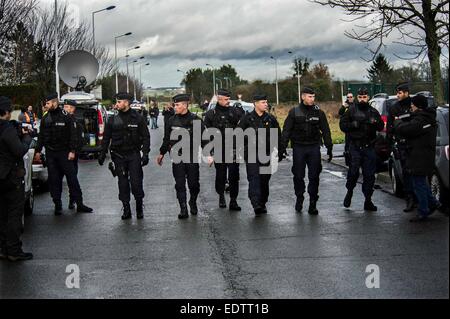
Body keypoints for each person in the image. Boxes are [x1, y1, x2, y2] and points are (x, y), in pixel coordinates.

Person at [34, 93, 92, 215]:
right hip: (51, 153)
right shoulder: (46, 118)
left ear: (54, 103)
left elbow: (73, 135)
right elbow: (41, 136)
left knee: (72, 179)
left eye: (48, 103)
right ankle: (57, 204)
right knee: (54, 180)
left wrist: (72, 151)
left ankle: (79, 203)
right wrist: (38, 151)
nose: (46, 105)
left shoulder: (66, 116)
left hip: (64, 153)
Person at [281, 87, 333, 215]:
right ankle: (299, 197)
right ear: (303, 97)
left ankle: (313, 203)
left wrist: (329, 146)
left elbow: (325, 130)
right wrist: (282, 147)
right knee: (298, 175)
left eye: (313, 97)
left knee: (314, 176)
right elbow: (286, 130)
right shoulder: (294, 112)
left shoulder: (319, 113)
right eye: (309, 96)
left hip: (313, 147)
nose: (312, 99)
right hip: (299, 147)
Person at [98, 93, 150, 220]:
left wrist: (146, 153)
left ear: (126, 103)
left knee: (136, 183)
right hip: (118, 156)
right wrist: (102, 153)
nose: (117, 104)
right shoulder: (112, 119)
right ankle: (126, 208)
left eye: (119, 102)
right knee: (122, 183)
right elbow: (106, 138)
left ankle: (138, 206)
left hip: (133, 155)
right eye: (117, 102)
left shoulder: (138, 118)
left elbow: (146, 137)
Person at [156, 94, 206, 219]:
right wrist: (161, 153)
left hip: (192, 155)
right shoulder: (171, 120)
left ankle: (192, 201)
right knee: (179, 184)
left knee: (193, 184)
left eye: (177, 105)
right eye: (175, 105)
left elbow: (204, 139)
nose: (175, 107)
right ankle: (183, 208)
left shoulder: (196, 120)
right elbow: (166, 139)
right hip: (177, 156)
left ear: (185, 105)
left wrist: (209, 154)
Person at [394, 94, 442, 222]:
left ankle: (423, 210)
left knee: (418, 184)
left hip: (420, 156)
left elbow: (408, 129)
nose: (411, 106)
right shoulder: (426, 117)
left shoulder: (422, 120)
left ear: (418, 106)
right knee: (421, 182)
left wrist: (397, 123)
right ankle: (433, 203)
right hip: (422, 155)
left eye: (413, 104)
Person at [340, 88, 384, 211]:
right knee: (353, 173)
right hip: (355, 146)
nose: (362, 99)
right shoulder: (351, 110)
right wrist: (352, 125)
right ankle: (349, 192)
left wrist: (375, 122)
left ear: (368, 97)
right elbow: (342, 125)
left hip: (369, 147)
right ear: (357, 97)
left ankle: (368, 200)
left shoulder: (373, 111)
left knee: (369, 175)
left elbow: (381, 127)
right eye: (360, 97)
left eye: (364, 97)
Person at [0, 96, 33, 261]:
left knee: (2, 215)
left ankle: (3, 248)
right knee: (14, 214)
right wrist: (27, 139)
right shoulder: (7, 129)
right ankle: (13, 250)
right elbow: (19, 150)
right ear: (6, 112)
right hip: (11, 178)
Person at [238, 94, 282, 216]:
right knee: (253, 178)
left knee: (264, 180)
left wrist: (280, 151)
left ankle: (262, 202)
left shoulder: (271, 119)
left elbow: (278, 135)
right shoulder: (246, 119)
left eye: (266, 102)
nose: (266, 104)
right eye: (263, 102)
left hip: (266, 153)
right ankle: (255, 203)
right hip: (251, 153)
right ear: (255, 104)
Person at [204, 89, 245, 211]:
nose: (228, 101)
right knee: (221, 175)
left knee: (234, 175)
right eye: (226, 99)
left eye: (229, 99)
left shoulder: (235, 111)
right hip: (218, 148)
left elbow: (243, 125)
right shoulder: (211, 114)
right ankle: (221, 195)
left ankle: (233, 200)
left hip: (233, 148)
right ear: (219, 99)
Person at [387, 82, 416, 212]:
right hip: (402, 144)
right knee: (406, 172)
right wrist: (390, 144)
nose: (397, 95)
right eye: (397, 93)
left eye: (400, 93)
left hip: (415, 143)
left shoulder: (413, 105)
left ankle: (420, 198)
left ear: (406, 93)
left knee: (417, 171)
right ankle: (409, 198)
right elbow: (390, 128)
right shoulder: (394, 108)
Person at [63, 99, 84, 210]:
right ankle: (58, 204)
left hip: (72, 156)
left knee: (72, 179)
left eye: (68, 107)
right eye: (65, 107)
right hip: (61, 155)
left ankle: (72, 200)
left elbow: (79, 140)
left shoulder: (76, 122)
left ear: (73, 109)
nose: (65, 109)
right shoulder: (61, 121)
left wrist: (74, 152)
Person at [339, 92, 356, 167]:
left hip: (355, 128)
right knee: (347, 145)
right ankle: (348, 161)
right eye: (348, 97)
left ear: (353, 97)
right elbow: (340, 113)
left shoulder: (356, 105)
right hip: (348, 129)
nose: (349, 98)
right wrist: (343, 107)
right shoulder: (346, 105)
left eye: (351, 97)